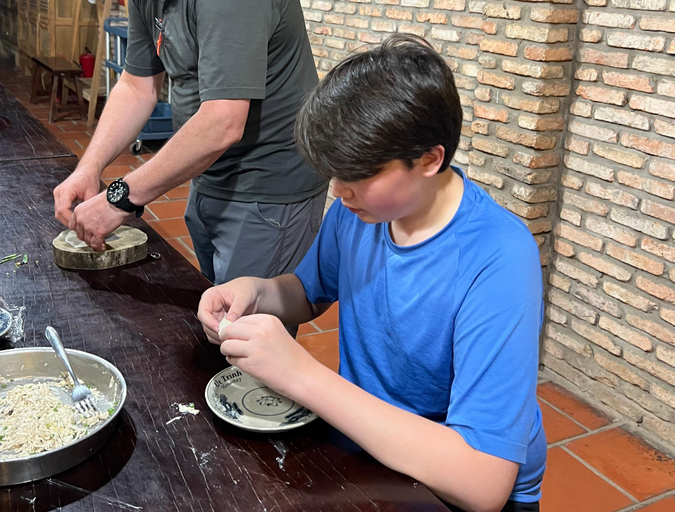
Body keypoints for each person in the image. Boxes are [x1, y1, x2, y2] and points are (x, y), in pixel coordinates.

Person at [197, 34, 546, 512]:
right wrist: (256, 292)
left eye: (357, 175)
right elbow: (307, 291)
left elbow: (482, 481)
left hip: (445, 480)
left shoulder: (500, 257)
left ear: (429, 159)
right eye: (334, 174)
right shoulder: (359, 210)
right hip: (363, 445)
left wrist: (302, 376)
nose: (338, 191)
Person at [53, 0, 329, 286]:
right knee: (212, 305)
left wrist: (118, 200)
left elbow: (222, 122)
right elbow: (137, 86)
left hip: (269, 185)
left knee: (245, 324)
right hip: (210, 168)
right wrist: (88, 167)